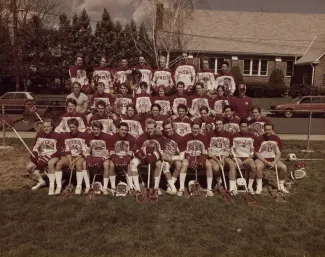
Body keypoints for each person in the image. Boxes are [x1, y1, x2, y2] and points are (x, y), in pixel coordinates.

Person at [177, 119, 214, 197]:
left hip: (200, 156)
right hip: (189, 156)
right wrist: (190, 159)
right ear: (191, 128)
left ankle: (209, 189)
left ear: (200, 129)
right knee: (184, 164)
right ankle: (181, 189)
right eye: (194, 128)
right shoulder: (185, 137)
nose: (195, 130)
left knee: (208, 164)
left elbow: (205, 152)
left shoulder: (204, 138)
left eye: (197, 129)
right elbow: (183, 151)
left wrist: (202, 160)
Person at [26, 119, 61, 195]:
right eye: (44, 127)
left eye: (48, 126)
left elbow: (58, 151)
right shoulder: (40, 134)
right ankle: (41, 181)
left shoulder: (57, 136)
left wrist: (48, 157)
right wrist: (35, 154)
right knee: (29, 167)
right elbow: (35, 147)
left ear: (52, 127)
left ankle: (51, 186)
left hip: (53, 155)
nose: (46, 128)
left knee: (50, 164)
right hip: (42, 155)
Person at [130, 118, 165, 194]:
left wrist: (155, 156)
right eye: (148, 128)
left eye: (151, 128)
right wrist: (142, 154)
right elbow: (135, 150)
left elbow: (162, 152)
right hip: (143, 157)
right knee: (133, 163)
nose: (149, 130)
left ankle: (156, 187)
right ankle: (137, 188)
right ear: (146, 128)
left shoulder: (160, 138)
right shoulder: (142, 137)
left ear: (155, 128)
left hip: (154, 158)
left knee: (159, 164)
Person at [54, 118, 88, 195]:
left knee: (78, 165)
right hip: (69, 156)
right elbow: (67, 149)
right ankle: (59, 186)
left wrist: (74, 161)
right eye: (70, 127)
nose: (72, 129)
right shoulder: (66, 136)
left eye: (73, 127)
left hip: (79, 156)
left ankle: (79, 186)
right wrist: (70, 161)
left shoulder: (83, 135)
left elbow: (83, 151)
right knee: (59, 164)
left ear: (77, 126)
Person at [254, 123, 288, 195]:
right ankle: (259, 187)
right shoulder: (259, 139)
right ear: (264, 130)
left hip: (272, 159)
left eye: (269, 130)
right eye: (266, 130)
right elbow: (256, 153)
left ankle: (281, 185)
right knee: (258, 167)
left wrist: (275, 161)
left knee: (283, 167)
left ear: (272, 130)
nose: (267, 131)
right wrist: (266, 161)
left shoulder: (276, 138)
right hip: (262, 159)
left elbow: (278, 153)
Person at [206, 118, 238, 194]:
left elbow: (228, 150)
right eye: (216, 124)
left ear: (223, 125)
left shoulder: (229, 134)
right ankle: (219, 181)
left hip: (224, 155)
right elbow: (209, 151)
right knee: (216, 167)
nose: (218, 126)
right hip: (214, 156)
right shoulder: (209, 134)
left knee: (232, 164)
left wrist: (223, 159)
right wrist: (217, 160)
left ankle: (232, 187)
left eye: (220, 124)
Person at [108, 122, 136, 194]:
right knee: (111, 165)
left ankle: (130, 186)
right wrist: (115, 157)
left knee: (130, 165)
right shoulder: (112, 137)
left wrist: (126, 158)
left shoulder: (131, 138)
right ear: (118, 130)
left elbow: (131, 151)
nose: (124, 132)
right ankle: (113, 187)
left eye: (126, 130)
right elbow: (111, 151)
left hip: (126, 156)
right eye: (122, 129)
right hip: (116, 156)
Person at [84, 121, 110, 194]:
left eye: (97, 129)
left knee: (106, 165)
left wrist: (103, 158)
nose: (96, 131)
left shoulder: (106, 137)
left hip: (103, 157)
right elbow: (88, 149)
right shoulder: (89, 136)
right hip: (93, 157)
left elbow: (108, 151)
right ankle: (87, 186)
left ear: (101, 129)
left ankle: (105, 187)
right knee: (84, 164)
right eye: (94, 129)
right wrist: (88, 156)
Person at [231, 119, 257, 195]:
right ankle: (234, 186)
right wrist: (233, 155)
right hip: (237, 157)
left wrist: (248, 158)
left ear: (247, 127)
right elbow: (231, 148)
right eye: (242, 126)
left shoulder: (252, 136)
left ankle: (250, 186)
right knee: (235, 166)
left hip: (247, 157)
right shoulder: (234, 136)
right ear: (239, 127)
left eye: (245, 126)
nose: (243, 128)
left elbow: (253, 150)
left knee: (254, 167)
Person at [161, 119, 184, 195]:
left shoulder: (179, 138)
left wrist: (171, 158)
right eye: (166, 128)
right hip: (164, 156)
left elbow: (182, 155)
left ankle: (171, 186)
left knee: (179, 165)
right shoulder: (161, 134)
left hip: (174, 156)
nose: (168, 130)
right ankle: (173, 188)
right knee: (165, 166)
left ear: (173, 128)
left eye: (169, 128)